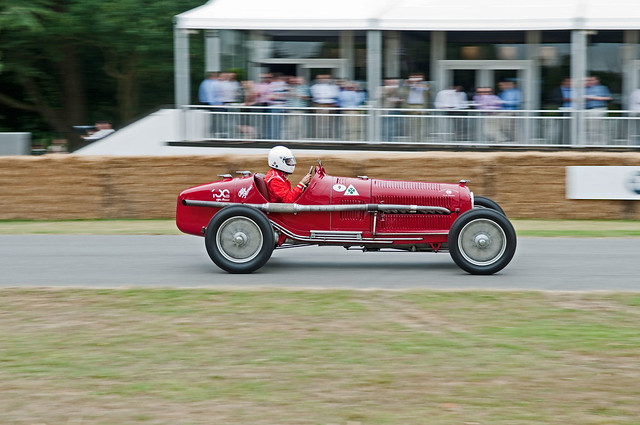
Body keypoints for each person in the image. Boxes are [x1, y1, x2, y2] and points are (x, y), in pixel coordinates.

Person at [584, 76, 612, 144]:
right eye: (588, 80)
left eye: (592, 80)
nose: (590, 82)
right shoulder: (585, 89)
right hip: (587, 109)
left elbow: (609, 98)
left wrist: (596, 98)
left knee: (599, 127)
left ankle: (601, 143)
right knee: (589, 128)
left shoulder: (602, 88)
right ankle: (590, 143)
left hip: (599, 108)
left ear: (597, 80)